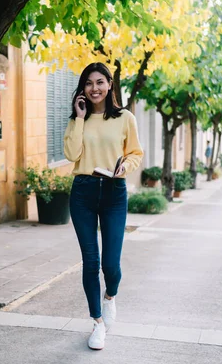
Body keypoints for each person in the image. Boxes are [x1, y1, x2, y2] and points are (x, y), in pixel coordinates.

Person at [63, 62, 144, 350]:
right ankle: (97, 322)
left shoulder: (125, 118)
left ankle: (110, 296)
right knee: (91, 261)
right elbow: (72, 153)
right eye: (88, 83)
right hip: (83, 192)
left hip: (113, 191)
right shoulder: (77, 119)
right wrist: (81, 118)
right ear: (83, 89)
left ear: (109, 84)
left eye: (99, 82)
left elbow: (134, 153)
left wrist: (125, 168)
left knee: (111, 264)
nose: (94, 88)